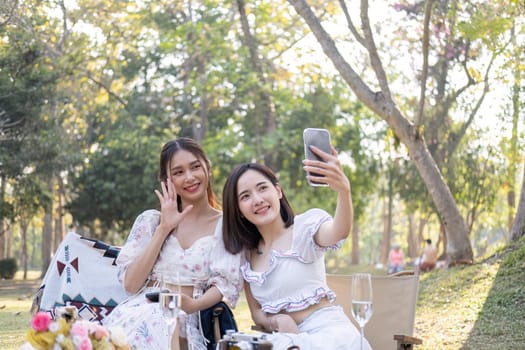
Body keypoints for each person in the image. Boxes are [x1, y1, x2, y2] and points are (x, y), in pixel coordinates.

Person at [221, 144, 371, 350]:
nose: (257, 200)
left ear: (278, 191)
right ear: (238, 210)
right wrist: (277, 322)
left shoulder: (305, 228)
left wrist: (343, 191)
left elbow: (339, 231)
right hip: (285, 339)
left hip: (330, 334)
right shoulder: (246, 255)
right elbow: (257, 313)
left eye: (263, 188)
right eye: (245, 196)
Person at [103, 137, 242, 350]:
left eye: (195, 167)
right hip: (142, 312)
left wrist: (194, 305)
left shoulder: (225, 226)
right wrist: (164, 229)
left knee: (171, 323)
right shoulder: (151, 221)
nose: (189, 177)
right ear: (166, 180)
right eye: (178, 172)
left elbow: (223, 284)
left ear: (207, 168)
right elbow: (131, 285)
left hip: (190, 317)